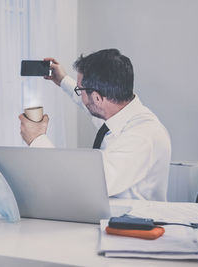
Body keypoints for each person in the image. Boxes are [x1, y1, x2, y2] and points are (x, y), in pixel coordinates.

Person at [19, 49, 171, 201]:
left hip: (132, 222)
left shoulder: (141, 137)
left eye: (80, 90)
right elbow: (87, 101)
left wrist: (37, 139)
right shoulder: (119, 114)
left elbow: (87, 186)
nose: (80, 94)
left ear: (98, 98)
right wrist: (63, 80)